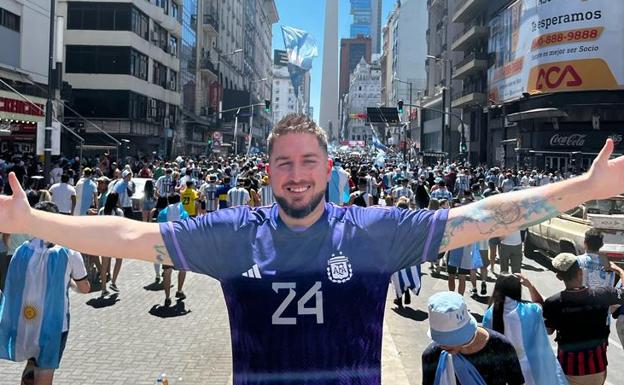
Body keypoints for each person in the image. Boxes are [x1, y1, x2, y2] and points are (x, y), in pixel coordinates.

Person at [1, 114, 624, 384]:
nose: (295, 174)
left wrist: (584, 188)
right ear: (268, 171)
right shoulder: (233, 232)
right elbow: (132, 237)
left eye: (307, 162)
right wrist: (39, 220)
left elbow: (477, 219)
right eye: (282, 163)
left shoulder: (374, 229)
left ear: (328, 169)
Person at [0, 201, 90, 385]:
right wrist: (70, 283)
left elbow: (14, 286)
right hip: (54, 325)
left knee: (31, 368)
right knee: (44, 375)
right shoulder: (69, 252)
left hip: (26, 323)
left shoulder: (21, 250)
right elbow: (84, 288)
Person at [543, 253, 624, 385]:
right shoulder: (602, 294)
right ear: (581, 271)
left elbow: (548, 330)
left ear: (559, 277)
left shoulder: (553, 302)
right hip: (597, 367)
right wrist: (619, 271)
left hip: (569, 368)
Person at [421, 291, 525, 385]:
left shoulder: (501, 348)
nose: (442, 344)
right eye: (439, 339)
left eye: (449, 339)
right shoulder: (432, 356)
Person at [483, 274, 568, 385]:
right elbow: (541, 304)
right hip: (532, 369)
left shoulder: (489, 314)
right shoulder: (530, 310)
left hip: (505, 371)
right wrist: (530, 286)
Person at [156, 194, 189, 307]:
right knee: (183, 269)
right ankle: (179, 291)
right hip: (180, 245)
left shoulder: (162, 213)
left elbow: (158, 229)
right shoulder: (184, 213)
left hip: (165, 244)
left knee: (166, 272)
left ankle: (167, 297)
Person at [391, 197, 421, 309]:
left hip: (397, 251)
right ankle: (407, 292)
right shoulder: (413, 219)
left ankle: (399, 299)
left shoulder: (394, 220)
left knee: (397, 275)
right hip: (410, 251)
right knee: (408, 272)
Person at [97, 193, 124, 296]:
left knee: (104, 265)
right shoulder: (118, 212)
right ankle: (113, 281)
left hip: (104, 240)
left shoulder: (102, 210)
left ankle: (103, 288)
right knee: (119, 260)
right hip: (116, 240)